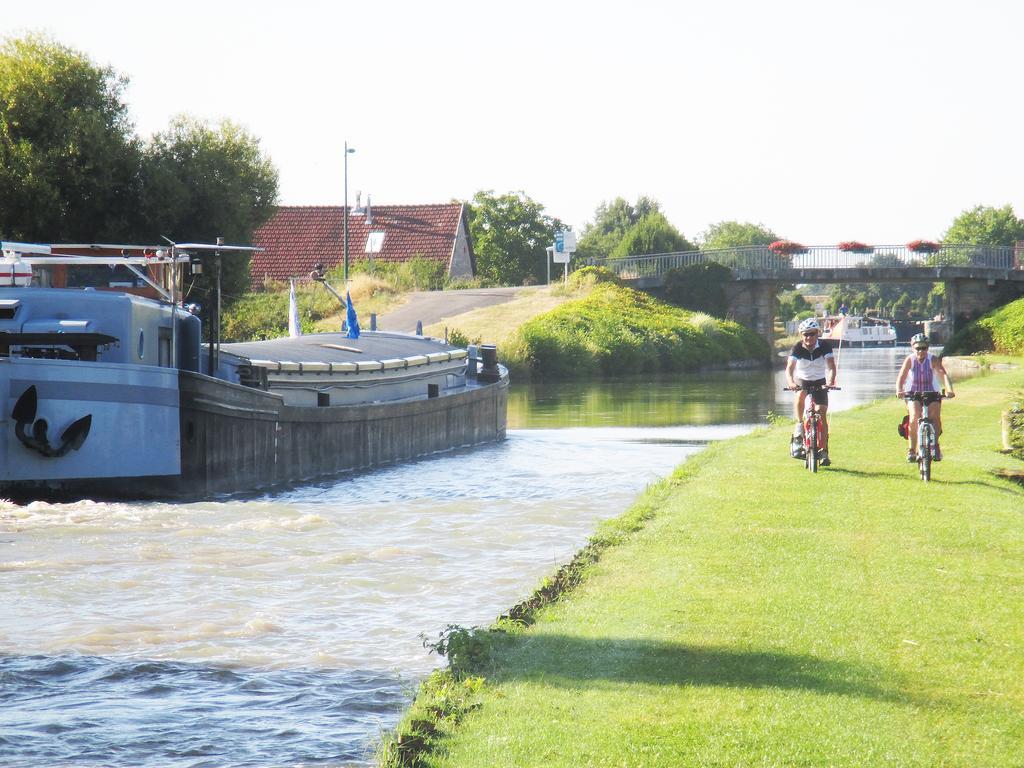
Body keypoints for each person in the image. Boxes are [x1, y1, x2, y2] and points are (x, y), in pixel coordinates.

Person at [786, 318, 838, 465]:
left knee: (821, 412)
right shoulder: (797, 347)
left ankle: (825, 452)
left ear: (817, 334)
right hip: (803, 380)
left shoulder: (824, 346)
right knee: (800, 394)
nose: (809, 337)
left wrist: (830, 382)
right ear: (801, 335)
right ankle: (799, 424)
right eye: (805, 334)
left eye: (812, 334)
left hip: (820, 381)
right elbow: (790, 368)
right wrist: (790, 382)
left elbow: (831, 367)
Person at [896, 333, 955, 462]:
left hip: (932, 392)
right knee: (914, 417)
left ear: (927, 348)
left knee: (935, 418)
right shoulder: (910, 360)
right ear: (913, 348)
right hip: (913, 393)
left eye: (924, 348)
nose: (921, 351)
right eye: (918, 348)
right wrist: (899, 390)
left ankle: (935, 445)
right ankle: (911, 450)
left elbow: (942, 374)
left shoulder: (933, 359)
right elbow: (901, 377)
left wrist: (949, 389)